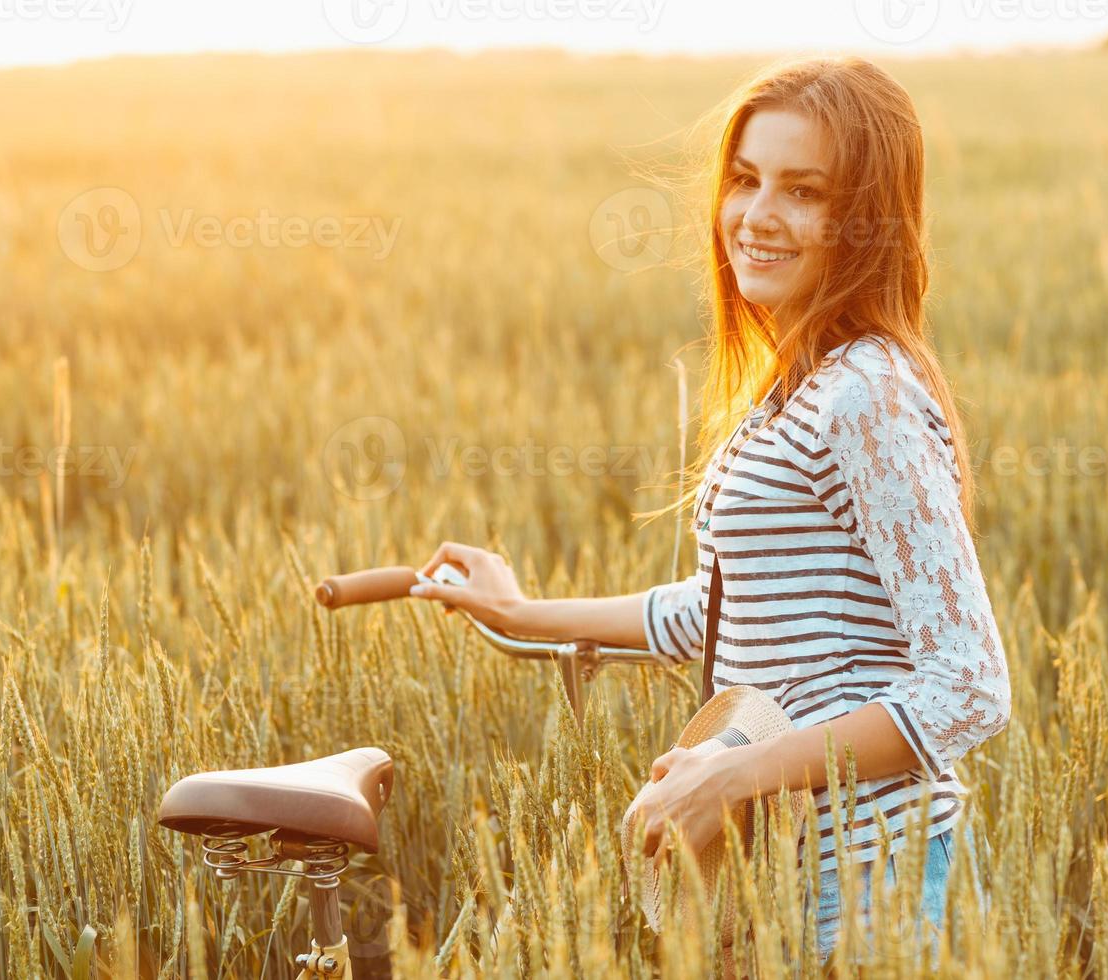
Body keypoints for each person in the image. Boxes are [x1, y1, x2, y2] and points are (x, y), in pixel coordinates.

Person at [408, 55, 1012, 966]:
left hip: (876, 883)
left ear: (864, 220)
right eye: (744, 179)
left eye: (801, 191)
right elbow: (725, 608)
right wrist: (520, 612)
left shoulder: (866, 396)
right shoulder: (796, 392)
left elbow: (969, 684)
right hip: (791, 875)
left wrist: (734, 772)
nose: (756, 216)